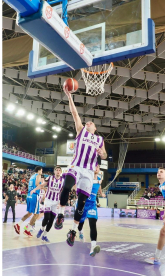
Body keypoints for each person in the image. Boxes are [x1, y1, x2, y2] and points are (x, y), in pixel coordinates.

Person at [53, 84, 107, 247]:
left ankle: (73, 231)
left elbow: (104, 155)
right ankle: (61, 214)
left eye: (91, 123)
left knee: (82, 202)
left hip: (89, 172)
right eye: (88, 122)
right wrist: (69, 96)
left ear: (95, 128)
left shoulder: (99, 139)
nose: (88, 122)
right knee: (67, 186)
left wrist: (101, 153)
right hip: (76, 165)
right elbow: (74, 113)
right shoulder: (81, 130)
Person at [76, 164, 106, 256]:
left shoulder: (99, 180)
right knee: (80, 224)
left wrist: (101, 193)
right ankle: (80, 232)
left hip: (92, 205)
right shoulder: (86, 178)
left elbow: (99, 187)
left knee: (92, 224)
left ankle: (93, 247)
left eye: (98, 167)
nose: (96, 168)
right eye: (95, 167)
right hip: (82, 204)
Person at [35, 166, 65, 242]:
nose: (58, 171)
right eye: (56, 170)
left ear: (60, 172)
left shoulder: (63, 181)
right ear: (54, 172)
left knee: (51, 220)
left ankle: (44, 235)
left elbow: (63, 192)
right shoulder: (50, 178)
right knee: (47, 217)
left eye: (59, 170)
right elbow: (42, 185)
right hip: (48, 200)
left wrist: (61, 203)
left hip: (56, 202)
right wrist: (35, 189)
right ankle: (41, 229)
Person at [13, 166, 43, 237]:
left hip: (29, 195)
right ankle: (27, 230)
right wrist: (43, 186)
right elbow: (37, 184)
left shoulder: (32, 176)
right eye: (41, 170)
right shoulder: (38, 175)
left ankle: (18, 224)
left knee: (29, 214)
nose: (41, 172)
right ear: (39, 171)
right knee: (36, 215)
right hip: (34, 195)